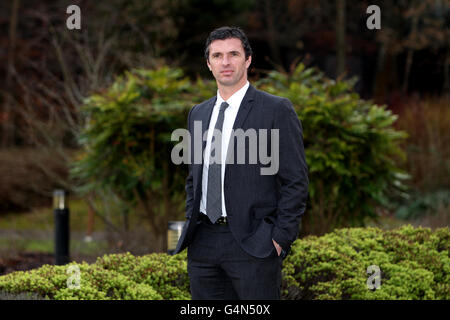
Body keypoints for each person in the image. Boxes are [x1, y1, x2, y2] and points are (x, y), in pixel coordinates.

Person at [174, 26, 309, 300]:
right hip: (202, 244)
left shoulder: (275, 110)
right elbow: (194, 178)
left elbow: (295, 181)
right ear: (208, 64)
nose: (225, 62)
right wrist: (192, 218)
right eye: (218, 55)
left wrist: (279, 238)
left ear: (248, 59)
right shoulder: (197, 114)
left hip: (254, 244)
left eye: (233, 54)